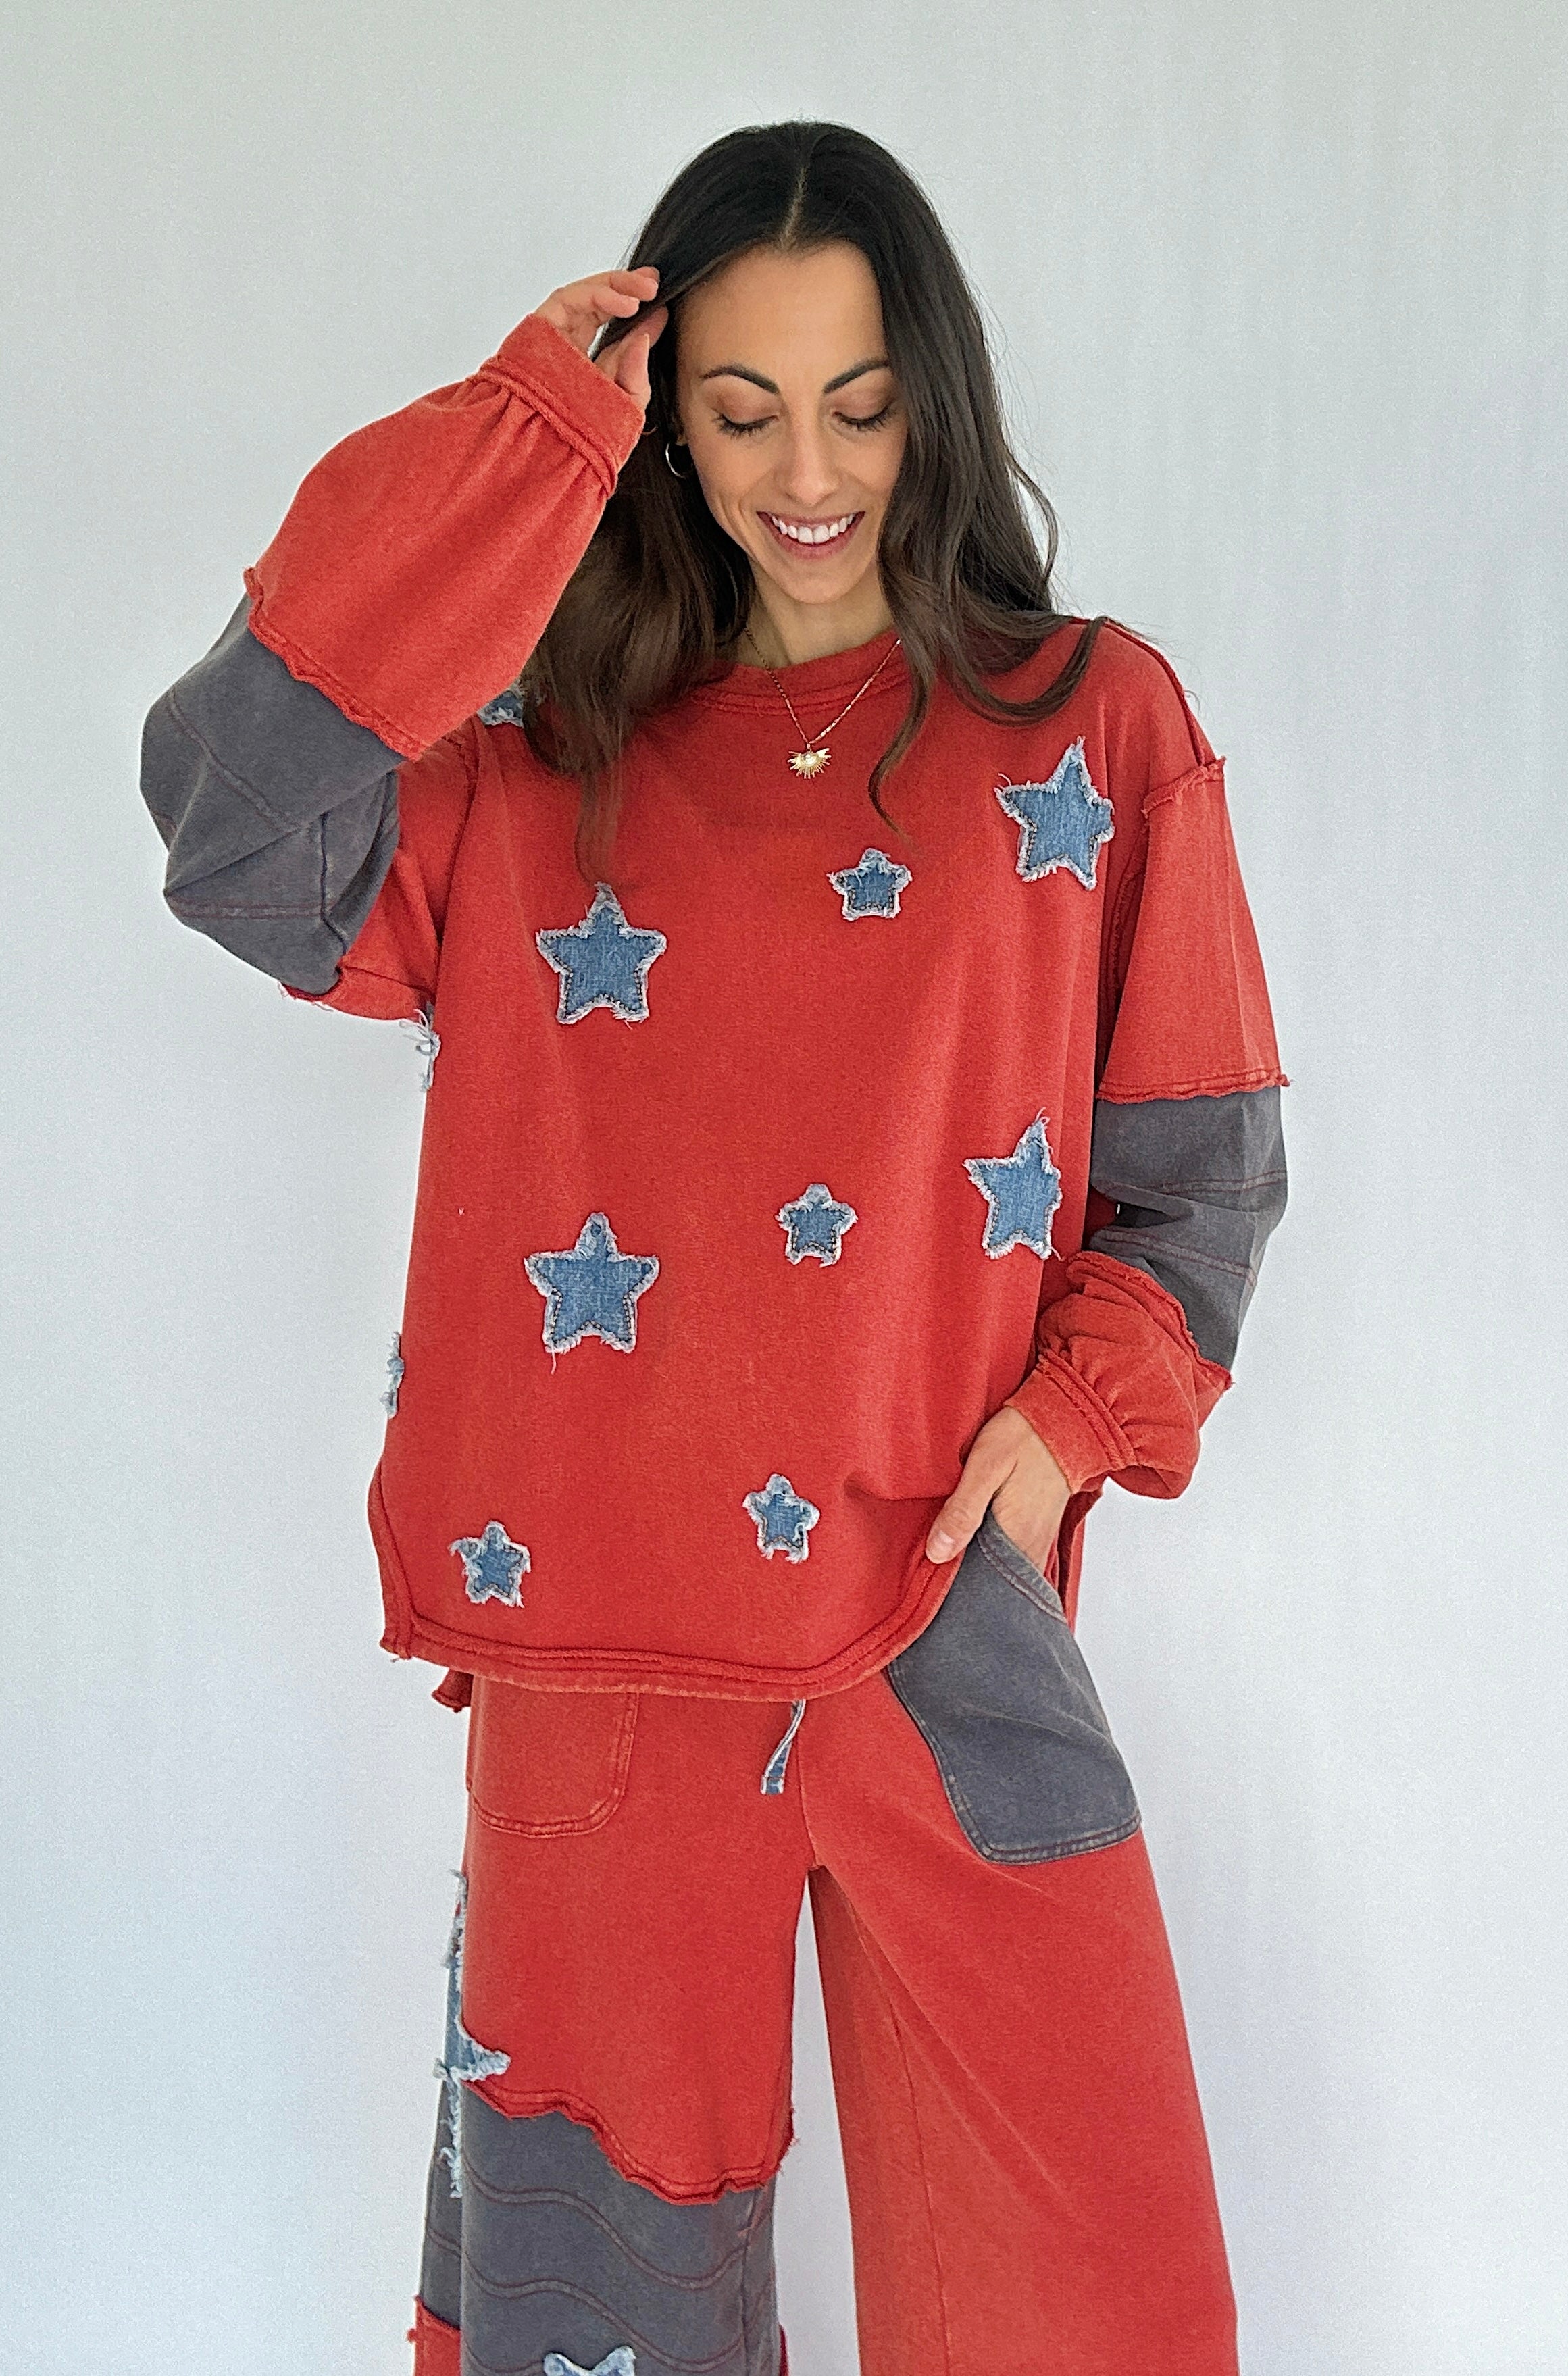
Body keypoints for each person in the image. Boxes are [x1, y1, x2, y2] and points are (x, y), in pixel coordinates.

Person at [141, 117, 1288, 2376]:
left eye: (860, 403)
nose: (809, 471)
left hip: (944, 1618)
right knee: (606, 2321)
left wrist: (1069, 1433)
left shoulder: (1091, 728)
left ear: (932, 401)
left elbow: (1200, 1170)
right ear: (666, 426)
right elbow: (228, 824)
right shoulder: (535, 774)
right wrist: (517, 438)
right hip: (598, 1644)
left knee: (1097, 2289)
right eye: (739, 408)